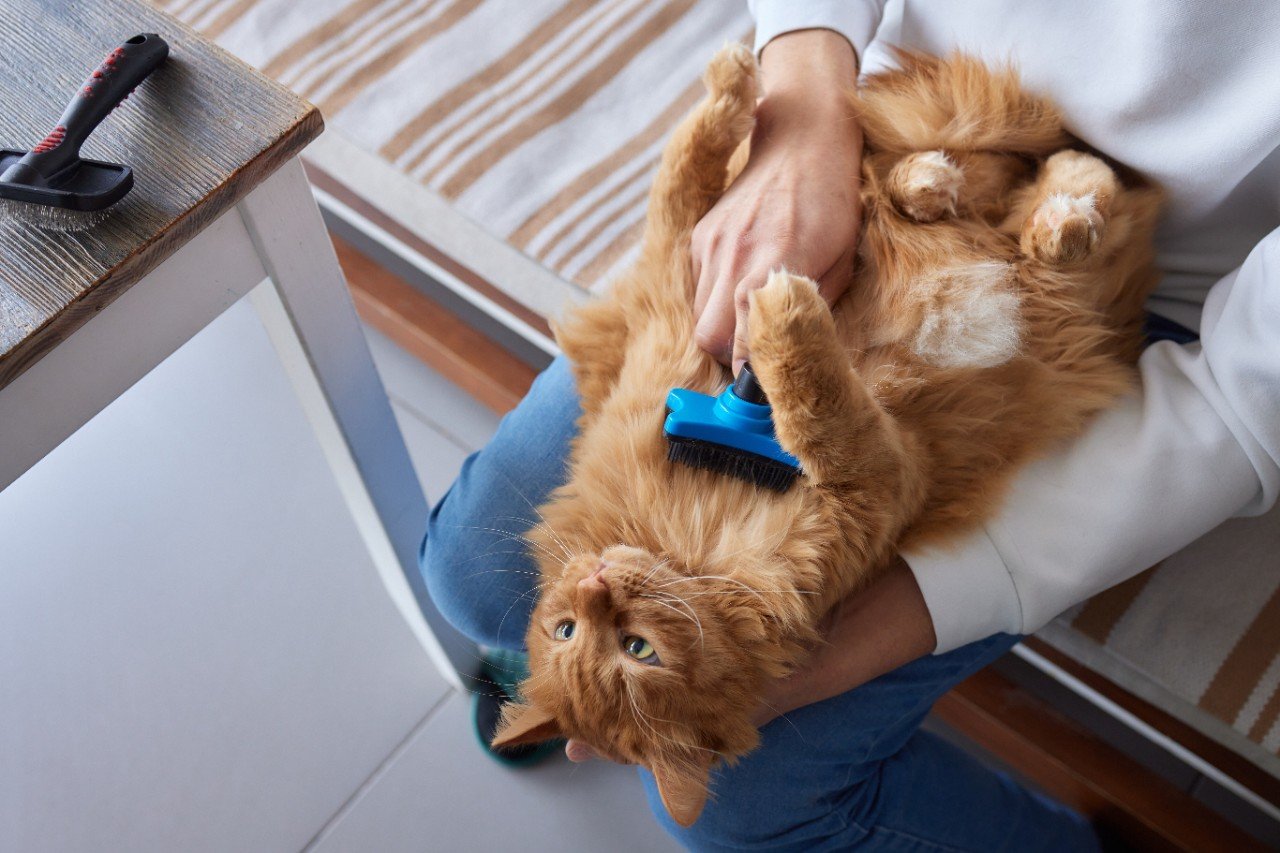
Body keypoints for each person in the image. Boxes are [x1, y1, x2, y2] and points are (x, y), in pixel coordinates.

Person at [420, 2, 1280, 849]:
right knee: (470, 579)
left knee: (742, 810)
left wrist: (921, 607)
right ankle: (596, 691)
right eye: (620, 632)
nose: (598, 588)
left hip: (1140, 274)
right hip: (901, 127)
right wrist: (801, 106)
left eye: (579, 621)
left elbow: (1248, 394)